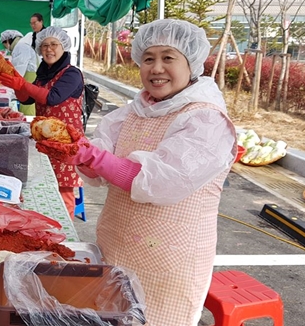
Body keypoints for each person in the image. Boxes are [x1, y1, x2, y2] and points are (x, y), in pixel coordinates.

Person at [35, 19, 238, 326]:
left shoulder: (206, 121)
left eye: (168, 58)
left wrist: (89, 154)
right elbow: (99, 169)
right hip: (116, 246)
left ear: (192, 64)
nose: (156, 68)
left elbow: (159, 182)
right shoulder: (131, 112)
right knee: (110, 316)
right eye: (148, 59)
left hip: (170, 260)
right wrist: (73, 152)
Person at [0, 26, 84, 215]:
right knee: (46, 185)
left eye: (54, 44)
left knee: (63, 189)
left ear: (64, 47)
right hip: (45, 140)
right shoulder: (44, 71)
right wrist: (14, 82)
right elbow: (27, 99)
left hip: (65, 142)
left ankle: (65, 229)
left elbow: (52, 98)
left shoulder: (72, 74)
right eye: (44, 45)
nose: (49, 49)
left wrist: (21, 83)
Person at [0, 29, 38, 116]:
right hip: (27, 82)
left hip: (28, 83)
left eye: (4, 44)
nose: (5, 47)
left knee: (28, 111)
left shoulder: (21, 47)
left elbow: (17, 72)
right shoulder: (21, 46)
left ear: (8, 40)